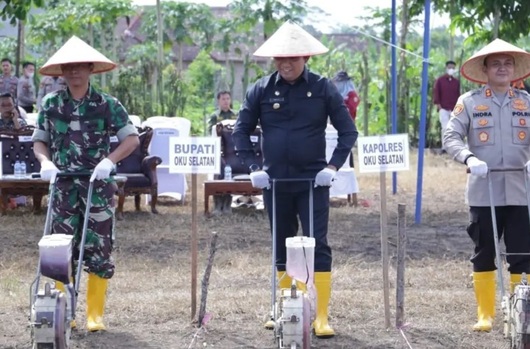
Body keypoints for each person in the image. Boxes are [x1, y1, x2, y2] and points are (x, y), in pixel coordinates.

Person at [232, 20, 358, 338]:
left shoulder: (322, 87)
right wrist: (252, 167)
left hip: (312, 182)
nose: (286, 64)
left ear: (306, 58)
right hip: (275, 183)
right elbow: (240, 130)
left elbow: (348, 130)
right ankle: (286, 308)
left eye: (293, 58)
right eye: (280, 58)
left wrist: (332, 167)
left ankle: (322, 315)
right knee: (282, 243)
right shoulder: (261, 89)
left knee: (317, 244)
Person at [32, 35, 140, 332]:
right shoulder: (51, 104)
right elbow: (39, 142)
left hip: (97, 186)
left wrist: (109, 161)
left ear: (90, 69)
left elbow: (131, 139)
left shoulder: (107, 104)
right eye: (68, 68)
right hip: (63, 185)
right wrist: (46, 163)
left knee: (99, 247)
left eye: (79, 67)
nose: (74, 72)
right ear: (62, 72)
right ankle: (64, 311)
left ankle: (95, 314)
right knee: (59, 248)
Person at [443, 38, 530, 333]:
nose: (502, 68)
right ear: (485, 69)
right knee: (483, 252)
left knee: (523, 253)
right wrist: (468, 158)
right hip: (484, 191)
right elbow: (450, 136)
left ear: (514, 69)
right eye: (496, 63)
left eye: (507, 63)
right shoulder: (469, 102)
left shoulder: (527, 103)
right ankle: (485, 314)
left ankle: (522, 312)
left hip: (521, 192)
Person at [209, 90, 237, 214]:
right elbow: (211, 131)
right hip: (218, 150)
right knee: (218, 175)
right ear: (218, 101)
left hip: (231, 151)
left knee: (229, 175)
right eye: (223, 99)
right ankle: (217, 203)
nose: (226, 101)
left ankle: (227, 204)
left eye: (227, 99)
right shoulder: (215, 116)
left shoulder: (236, 115)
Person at [433, 60, 460, 150]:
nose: (451, 69)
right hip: (443, 108)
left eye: (453, 68)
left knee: (453, 128)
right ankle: (444, 147)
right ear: (446, 68)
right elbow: (436, 93)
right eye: (449, 68)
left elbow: (458, 95)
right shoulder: (440, 80)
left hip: (453, 108)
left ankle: (453, 147)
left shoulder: (456, 82)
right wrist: (439, 106)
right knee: (445, 127)